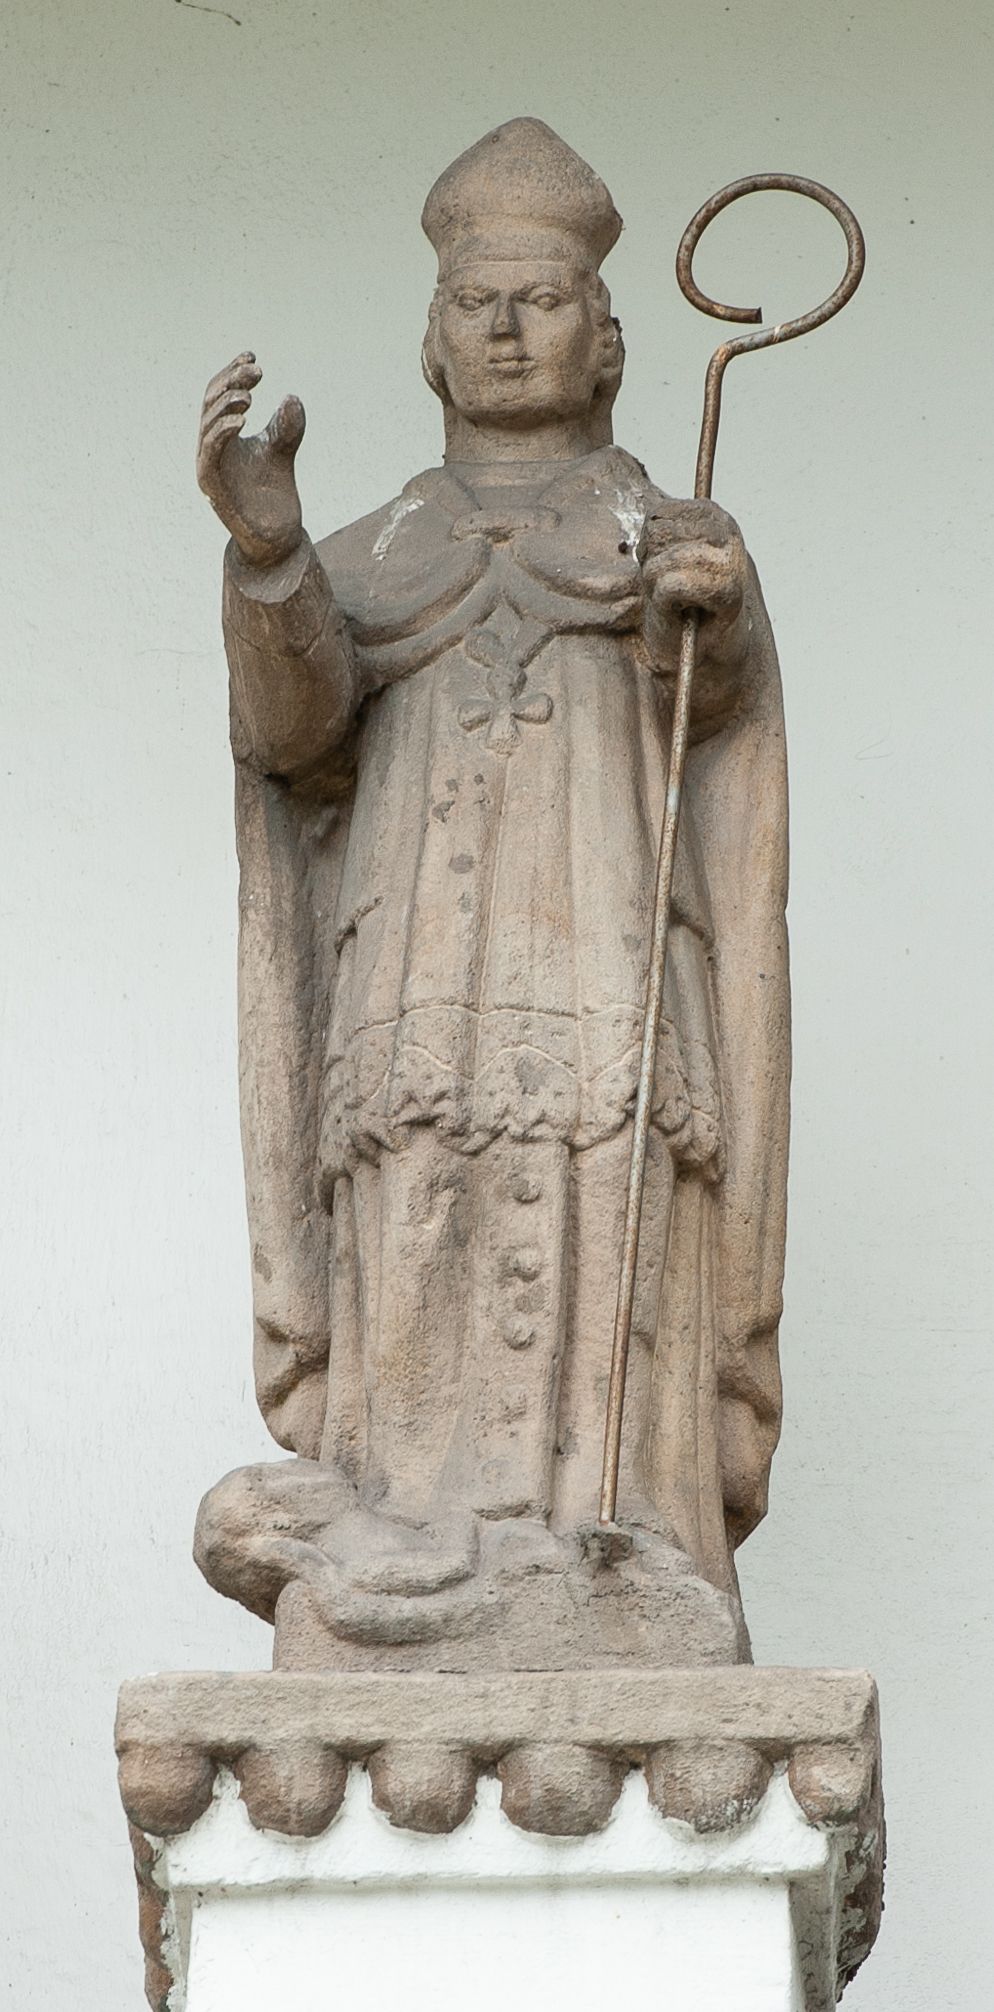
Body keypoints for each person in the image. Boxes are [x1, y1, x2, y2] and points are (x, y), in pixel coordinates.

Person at [193, 120, 789, 1672]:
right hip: (411, 973)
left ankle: (622, 1542)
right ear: (432, 340)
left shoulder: (664, 538)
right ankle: (408, 1536)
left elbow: (718, 720)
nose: (507, 330)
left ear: (607, 338)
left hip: (611, 960)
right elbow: (293, 743)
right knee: (419, 1216)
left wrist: (706, 621)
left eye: (540, 300)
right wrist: (268, 556)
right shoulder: (368, 552)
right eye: (476, 304)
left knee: (609, 1218)